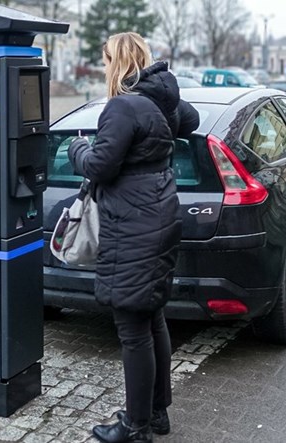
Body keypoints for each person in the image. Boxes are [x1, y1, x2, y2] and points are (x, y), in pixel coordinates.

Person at [68, 32, 199, 443]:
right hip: (159, 218)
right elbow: (191, 121)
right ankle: (157, 414)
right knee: (152, 316)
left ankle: (135, 427)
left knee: (132, 328)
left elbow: (100, 167)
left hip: (133, 228)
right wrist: (167, 102)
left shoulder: (123, 106)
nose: (103, 65)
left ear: (118, 61)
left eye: (105, 58)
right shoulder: (159, 102)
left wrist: (77, 149)